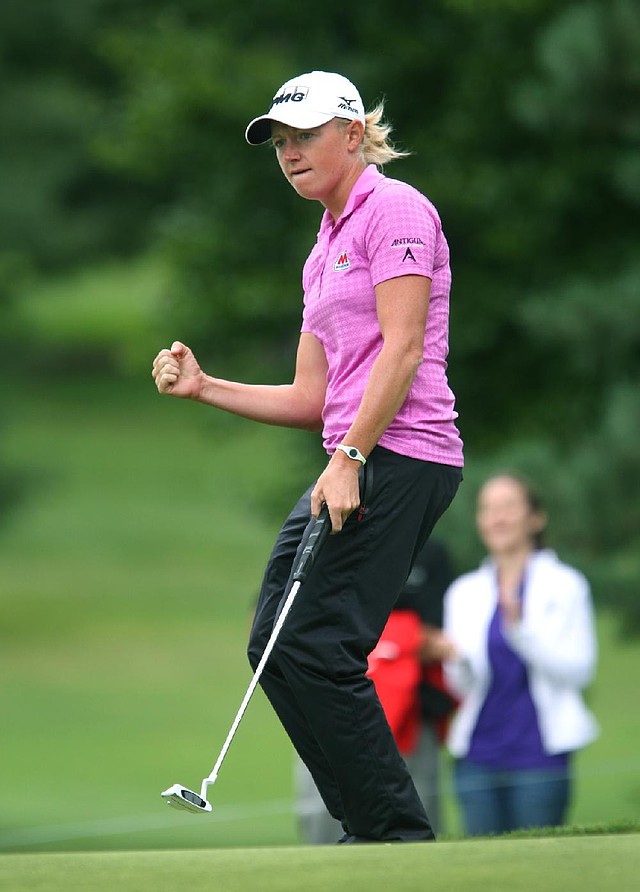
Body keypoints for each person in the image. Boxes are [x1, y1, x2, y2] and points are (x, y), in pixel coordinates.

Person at [152, 69, 463, 843]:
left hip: (401, 453)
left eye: (306, 136)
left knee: (321, 643)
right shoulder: (322, 246)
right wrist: (204, 387)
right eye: (281, 141)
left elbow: (404, 348)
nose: (290, 152)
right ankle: (366, 824)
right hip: (354, 453)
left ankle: (392, 834)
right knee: (275, 645)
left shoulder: (393, 208)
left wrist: (351, 455)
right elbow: (309, 397)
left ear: (353, 134)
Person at [442, 473, 599, 836]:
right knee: (483, 869)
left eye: (509, 507)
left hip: (540, 756)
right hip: (477, 755)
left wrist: (521, 633)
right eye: (488, 509)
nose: (497, 518)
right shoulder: (463, 593)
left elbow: (580, 670)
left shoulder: (566, 585)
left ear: (535, 518)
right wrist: (456, 658)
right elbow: (460, 686)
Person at [295, 538, 457, 843]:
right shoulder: (321, 539)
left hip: (412, 713)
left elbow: (436, 639)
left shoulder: (429, 551)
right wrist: (401, 638)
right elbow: (279, 619)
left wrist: (347, 636)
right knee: (323, 820)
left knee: (415, 815)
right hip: (325, 710)